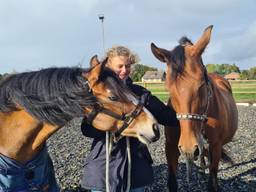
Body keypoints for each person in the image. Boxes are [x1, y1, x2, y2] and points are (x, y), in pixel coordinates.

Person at [80, 45, 179, 192]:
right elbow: (86, 130)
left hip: (136, 167)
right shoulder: (98, 95)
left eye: (127, 66)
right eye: (119, 66)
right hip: (103, 165)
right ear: (108, 66)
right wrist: (115, 124)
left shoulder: (140, 94)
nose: (124, 70)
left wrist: (188, 109)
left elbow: (167, 116)